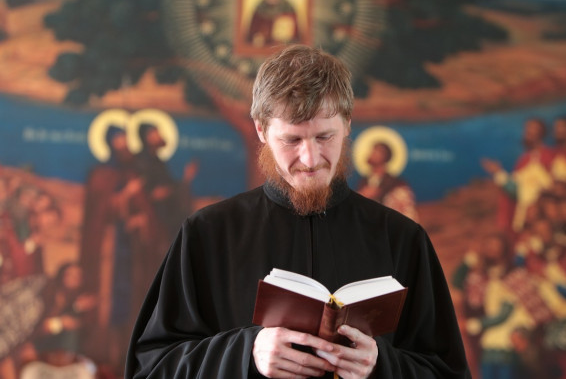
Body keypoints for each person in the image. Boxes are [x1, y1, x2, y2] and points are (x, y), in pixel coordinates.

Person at [125, 45, 470, 378]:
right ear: (261, 129)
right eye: (292, 140)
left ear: (347, 124)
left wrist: (381, 366)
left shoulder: (402, 239)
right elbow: (151, 368)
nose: (310, 159)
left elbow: (446, 371)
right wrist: (247, 352)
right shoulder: (207, 233)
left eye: (324, 137)